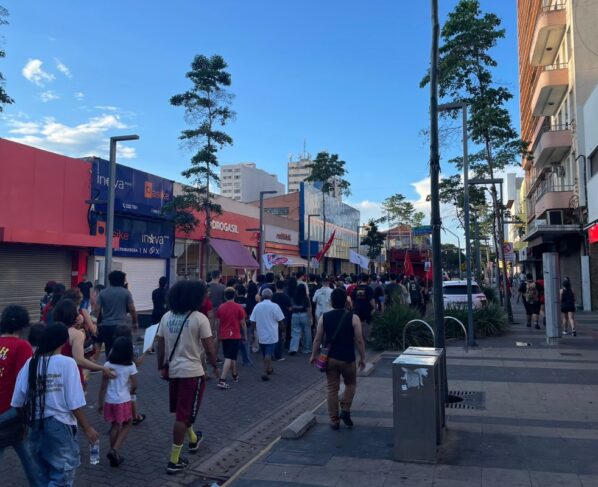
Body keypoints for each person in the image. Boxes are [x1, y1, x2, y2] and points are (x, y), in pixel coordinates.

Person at [11, 323, 100, 486]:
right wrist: (87, 428)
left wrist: (24, 423)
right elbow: (74, 403)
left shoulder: (31, 363)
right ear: (63, 342)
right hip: (59, 426)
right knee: (62, 477)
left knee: (42, 475)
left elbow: (18, 401)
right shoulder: (67, 363)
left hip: (34, 424)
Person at [156, 280, 219, 475]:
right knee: (184, 415)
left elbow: (160, 344)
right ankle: (174, 460)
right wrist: (215, 366)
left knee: (182, 411)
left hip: (174, 371)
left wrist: (161, 365)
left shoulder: (167, 316)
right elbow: (209, 348)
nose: (206, 296)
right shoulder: (199, 319)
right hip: (193, 372)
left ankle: (193, 439)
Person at [310, 288, 366, 430]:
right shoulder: (353, 318)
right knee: (350, 384)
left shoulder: (324, 317)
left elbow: (317, 339)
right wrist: (363, 357)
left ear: (331, 301)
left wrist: (313, 355)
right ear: (346, 302)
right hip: (348, 358)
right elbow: (359, 340)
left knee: (332, 388)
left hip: (331, 358)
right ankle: (345, 408)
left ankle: (334, 420)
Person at [0, 305, 42, 486]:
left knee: (25, 452)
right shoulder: (22, 346)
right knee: (28, 456)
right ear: (23, 324)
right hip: (11, 412)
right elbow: (24, 384)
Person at [53, 298, 115, 387]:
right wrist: (102, 368)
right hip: (72, 376)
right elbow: (79, 360)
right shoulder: (77, 334)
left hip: (56, 375)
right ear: (73, 314)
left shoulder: (52, 331)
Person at [97, 336, 138, 467]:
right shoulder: (131, 366)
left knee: (114, 425)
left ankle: (113, 454)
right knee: (128, 422)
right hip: (123, 400)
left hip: (110, 400)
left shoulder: (107, 365)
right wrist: (131, 390)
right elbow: (135, 384)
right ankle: (114, 450)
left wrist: (100, 402)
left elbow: (103, 385)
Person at [94, 270, 138, 358]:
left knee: (109, 349)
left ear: (110, 280)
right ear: (122, 280)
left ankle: (109, 368)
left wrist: (95, 324)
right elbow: (132, 309)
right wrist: (135, 322)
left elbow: (96, 310)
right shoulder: (126, 292)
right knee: (123, 350)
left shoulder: (103, 293)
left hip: (106, 326)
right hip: (122, 327)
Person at [249, 288, 285, 381]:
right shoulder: (275, 306)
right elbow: (281, 321)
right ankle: (265, 372)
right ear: (271, 296)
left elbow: (252, 321)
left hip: (261, 334)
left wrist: (252, 333)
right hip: (272, 334)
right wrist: (283, 330)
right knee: (268, 353)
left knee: (265, 353)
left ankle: (269, 368)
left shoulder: (257, 306)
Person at [113, 325, 147, 425]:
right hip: (128, 377)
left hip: (117, 377)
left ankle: (122, 416)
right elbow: (137, 363)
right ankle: (135, 416)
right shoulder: (131, 348)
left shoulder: (114, 347)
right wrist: (145, 353)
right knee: (132, 396)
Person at [216, 287, 247, 389]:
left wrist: (217, 333)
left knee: (231, 355)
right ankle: (222, 379)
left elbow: (218, 322)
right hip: (235, 334)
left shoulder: (221, 307)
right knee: (229, 357)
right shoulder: (239, 307)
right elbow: (243, 323)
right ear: (235, 295)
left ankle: (235, 375)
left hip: (224, 334)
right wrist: (245, 335)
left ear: (225, 296)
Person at [289, 285, 313, 355]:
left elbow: (291, 307)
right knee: (307, 332)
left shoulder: (293, 297)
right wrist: (311, 318)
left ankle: (293, 349)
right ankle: (307, 349)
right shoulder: (305, 297)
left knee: (295, 333)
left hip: (295, 315)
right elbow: (308, 309)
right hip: (304, 315)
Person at [271, 279, 292, 361]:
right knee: (279, 337)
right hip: (283, 318)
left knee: (273, 336)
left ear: (276, 287)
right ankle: (278, 355)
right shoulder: (286, 296)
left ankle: (271, 353)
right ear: (283, 287)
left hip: (272, 319)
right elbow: (290, 308)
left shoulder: (272, 296)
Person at [351, 274, 375, 340]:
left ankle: (360, 336)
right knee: (370, 322)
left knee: (360, 322)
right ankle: (368, 337)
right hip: (367, 309)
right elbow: (371, 300)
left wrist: (353, 307)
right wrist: (374, 308)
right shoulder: (368, 289)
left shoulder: (356, 288)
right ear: (368, 280)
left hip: (358, 308)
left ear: (361, 280)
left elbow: (352, 299)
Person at [234, 284, 252, 366]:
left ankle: (232, 360)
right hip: (246, 323)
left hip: (235, 324)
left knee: (235, 342)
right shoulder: (248, 301)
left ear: (237, 292)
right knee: (246, 341)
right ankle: (246, 360)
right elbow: (250, 313)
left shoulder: (234, 301)